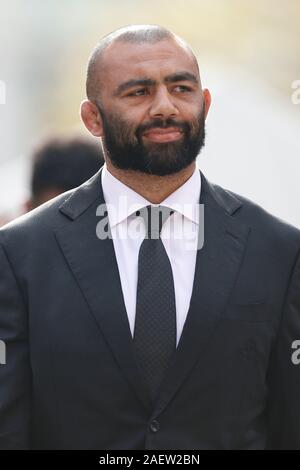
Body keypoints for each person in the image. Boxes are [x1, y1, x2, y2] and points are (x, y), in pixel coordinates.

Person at [0, 24, 299, 450]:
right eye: (138, 92)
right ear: (92, 118)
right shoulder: (19, 255)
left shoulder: (279, 252)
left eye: (181, 88)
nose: (164, 107)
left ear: (205, 103)